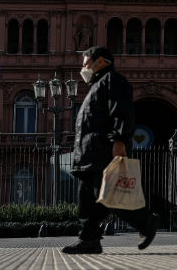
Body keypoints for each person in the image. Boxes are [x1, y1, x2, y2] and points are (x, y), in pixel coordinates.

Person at [62, 46, 158, 254]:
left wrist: (120, 140)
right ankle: (89, 240)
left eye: (86, 64)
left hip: (103, 152)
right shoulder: (97, 86)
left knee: (110, 195)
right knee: (87, 201)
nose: (83, 68)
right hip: (89, 154)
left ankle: (146, 222)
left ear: (101, 62)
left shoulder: (113, 81)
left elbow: (122, 111)